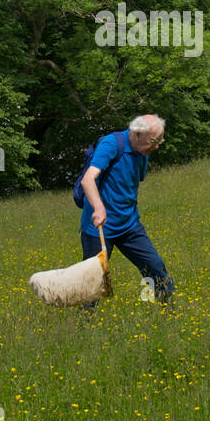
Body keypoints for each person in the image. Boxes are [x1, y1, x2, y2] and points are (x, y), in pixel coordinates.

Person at [78, 114, 174, 307]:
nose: (157, 146)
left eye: (160, 141)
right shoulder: (111, 144)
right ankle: (83, 324)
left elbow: (129, 183)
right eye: (154, 141)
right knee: (93, 282)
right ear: (137, 134)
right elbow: (88, 180)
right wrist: (99, 208)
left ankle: (166, 313)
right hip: (99, 228)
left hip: (129, 225)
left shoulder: (143, 152)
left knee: (155, 268)